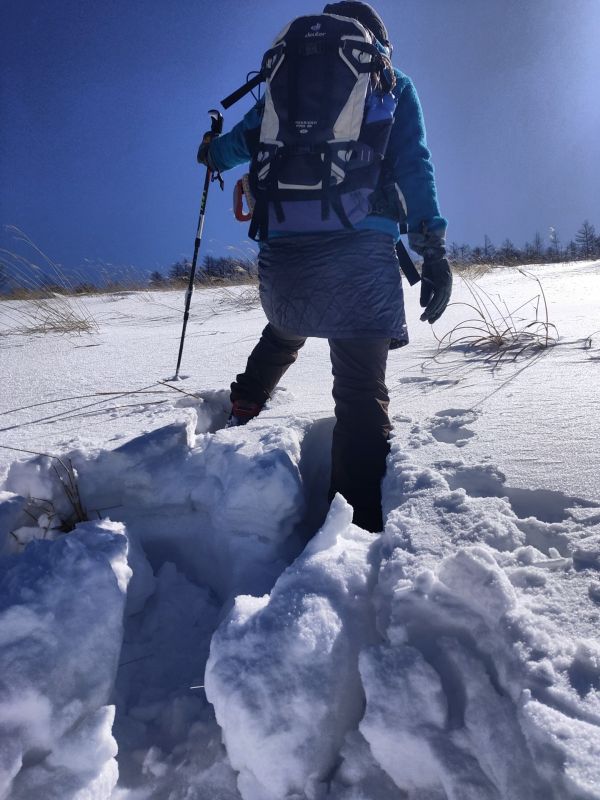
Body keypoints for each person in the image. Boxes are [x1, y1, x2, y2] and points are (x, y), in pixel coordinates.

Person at [198, 1, 452, 533]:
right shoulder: (390, 80)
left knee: (286, 328)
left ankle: (244, 403)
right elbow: (413, 165)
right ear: (374, 40)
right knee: (359, 392)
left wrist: (209, 150)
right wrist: (433, 251)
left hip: (283, 262)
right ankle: (353, 532)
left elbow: (228, 150)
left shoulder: (280, 84)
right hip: (360, 258)